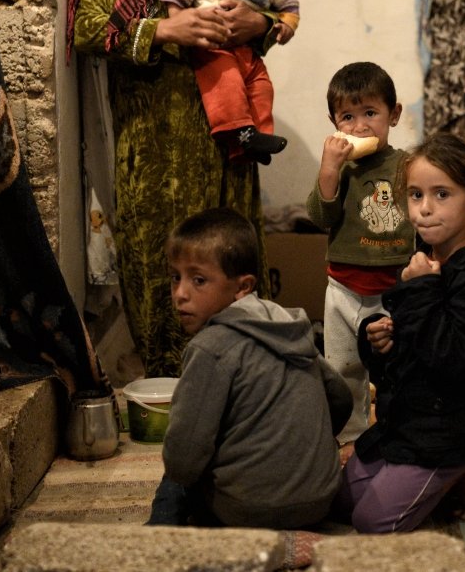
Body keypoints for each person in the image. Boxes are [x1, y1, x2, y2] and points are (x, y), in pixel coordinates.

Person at [66, 0, 279, 377]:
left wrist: (265, 25)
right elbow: (87, 30)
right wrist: (163, 29)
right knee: (152, 254)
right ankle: (169, 383)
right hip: (145, 141)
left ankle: (241, 378)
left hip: (219, 130)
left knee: (225, 246)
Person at [332, 131, 465, 533]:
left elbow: (453, 360)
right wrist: (378, 338)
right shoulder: (421, 263)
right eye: (415, 195)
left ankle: (462, 466)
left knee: (373, 523)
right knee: (340, 503)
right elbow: (399, 364)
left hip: (447, 431)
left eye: (442, 195)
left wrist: (420, 292)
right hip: (410, 422)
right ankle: (457, 477)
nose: (425, 209)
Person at [147, 207, 353, 529]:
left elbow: (184, 461)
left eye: (198, 280)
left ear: (242, 287)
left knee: (175, 474)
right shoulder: (289, 324)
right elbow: (340, 398)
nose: (180, 294)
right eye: (176, 277)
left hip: (248, 513)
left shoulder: (209, 348)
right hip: (320, 501)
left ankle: (159, 535)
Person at [305, 62, 415, 455]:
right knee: (343, 368)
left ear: (394, 115)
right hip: (343, 289)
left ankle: (394, 429)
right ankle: (350, 434)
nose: (360, 126)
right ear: (334, 123)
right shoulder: (340, 168)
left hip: (393, 290)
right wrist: (329, 171)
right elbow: (320, 217)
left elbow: (422, 215)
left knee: (395, 369)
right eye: (347, 117)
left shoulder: (405, 166)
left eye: (371, 113)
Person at [160, 0, 299, 164]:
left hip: (248, 50)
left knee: (262, 88)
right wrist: (180, 23)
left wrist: (287, 26)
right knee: (228, 85)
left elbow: (289, 5)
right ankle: (241, 133)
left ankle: (257, 138)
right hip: (212, 43)